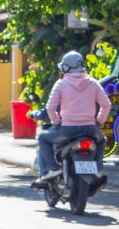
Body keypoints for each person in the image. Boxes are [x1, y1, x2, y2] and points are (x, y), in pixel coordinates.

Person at [34, 50, 111, 184]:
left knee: (42, 138)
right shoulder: (93, 83)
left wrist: (56, 122)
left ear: (66, 67)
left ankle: (52, 168)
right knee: (101, 140)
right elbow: (106, 105)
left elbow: (50, 108)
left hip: (67, 129)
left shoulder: (61, 84)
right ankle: (98, 169)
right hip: (90, 129)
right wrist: (99, 121)